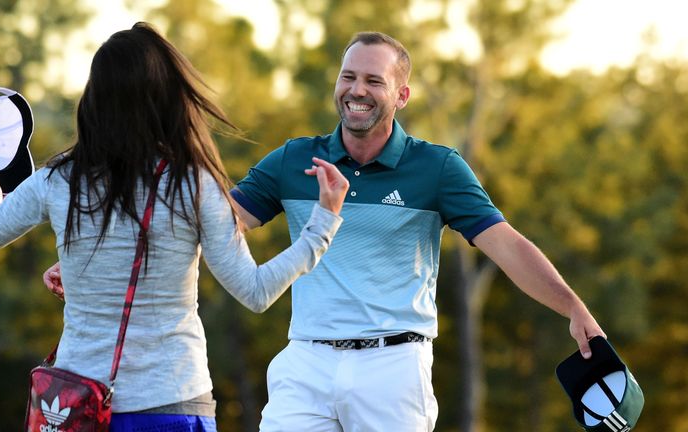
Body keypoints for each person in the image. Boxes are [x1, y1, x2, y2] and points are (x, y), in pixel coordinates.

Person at [0, 22, 348, 431]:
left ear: (95, 97)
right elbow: (257, 291)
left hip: (75, 409)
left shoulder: (58, 180)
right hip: (172, 404)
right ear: (167, 98)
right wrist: (322, 223)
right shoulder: (193, 184)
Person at [227, 32, 607, 431]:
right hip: (305, 361)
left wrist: (572, 306)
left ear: (401, 96)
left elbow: (507, 246)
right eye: (348, 77)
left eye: (374, 81)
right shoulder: (293, 160)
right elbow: (220, 224)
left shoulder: (438, 168)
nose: (357, 90)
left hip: (392, 367)